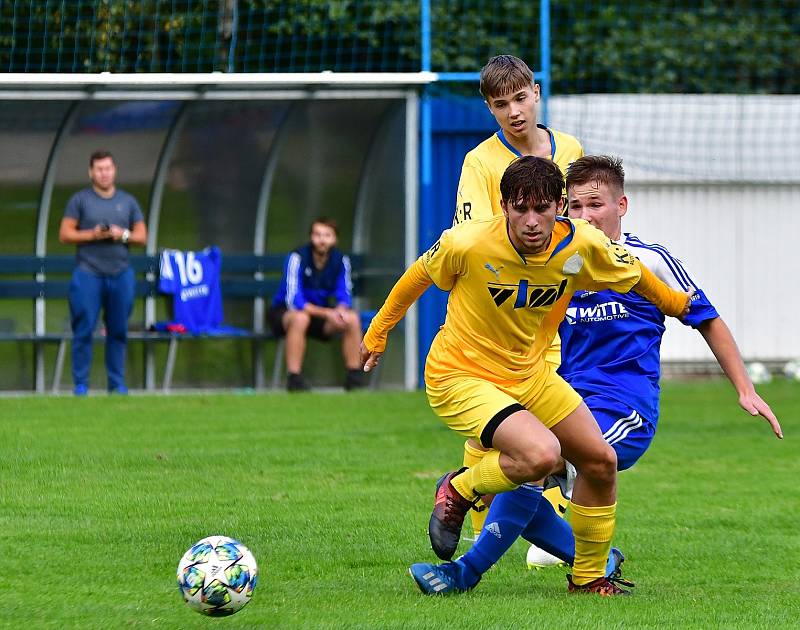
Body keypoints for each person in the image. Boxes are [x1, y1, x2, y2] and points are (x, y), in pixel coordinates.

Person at [361, 156, 691, 596]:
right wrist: (378, 333)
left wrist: (678, 305)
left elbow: (635, 276)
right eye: (521, 209)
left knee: (600, 461)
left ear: (559, 205)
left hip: (529, 374)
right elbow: (417, 276)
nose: (532, 221)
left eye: (542, 209)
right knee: (539, 455)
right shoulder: (468, 243)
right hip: (461, 374)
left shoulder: (582, 243)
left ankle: (589, 578)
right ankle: (459, 489)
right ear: (504, 206)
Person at [449, 155, 784, 587]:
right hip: (562, 398)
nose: (585, 216)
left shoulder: (649, 260)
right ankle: (589, 557)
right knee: (512, 468)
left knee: (530, 467)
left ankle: (465, 570)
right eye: (576, 207)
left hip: (623, 408)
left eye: (596, 205)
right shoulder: (555, 261)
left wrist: (745, 389)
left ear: (621, 206)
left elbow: (705, 317)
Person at [452, 54, 584, 538]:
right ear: (490, 108)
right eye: (501, 103)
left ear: (537, 93)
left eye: (521, 97)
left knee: (537, 438)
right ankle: (477, 501)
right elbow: (471, 237)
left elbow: (580, 227)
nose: (515, 111)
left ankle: (491, 515)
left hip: (548, 313)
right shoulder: (481, 163)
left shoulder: (569, 149)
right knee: (508, 436)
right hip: (494, 317)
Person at [58, 150, 147, 395]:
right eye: (99, 169)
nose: (104, 173)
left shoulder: (128, 202)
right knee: (84, 329)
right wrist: (92, 234)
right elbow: (65, 234)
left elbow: (141, 236)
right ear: (90, 172)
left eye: (108, 168)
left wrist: (122, 234)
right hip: (88, 273)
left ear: (114, 170)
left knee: (118, 330)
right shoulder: (80, 200)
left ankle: (117, 384)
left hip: (120, 273)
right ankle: (81, 385)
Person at [269, 218, 363, 392]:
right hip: (286, 313)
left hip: (321, 315)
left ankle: (354, 377)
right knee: (300, 318)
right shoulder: (297, 257)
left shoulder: (341, 260)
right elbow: (294, 300)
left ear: (334, 239)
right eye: (317, 234)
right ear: (311, 237)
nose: (321, 239)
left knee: (352, 319)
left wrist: (340, 311)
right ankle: (294, 379)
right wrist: (328, 313)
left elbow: (345, 293)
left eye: (327, 235)